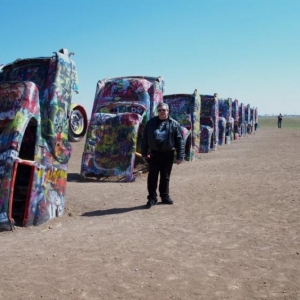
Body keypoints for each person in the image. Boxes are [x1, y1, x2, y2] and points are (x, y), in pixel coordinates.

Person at [141, 103, 185, 208]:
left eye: (164, 110)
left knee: (165, 177)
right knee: (152, 177)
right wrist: (144, 153)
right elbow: (144, 139)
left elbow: (180, 141)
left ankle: (165, 196)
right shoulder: (150, 123)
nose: (162, 112)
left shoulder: (174, 124)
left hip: (168, 154)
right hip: (154, 154)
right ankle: (152, 198)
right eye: (160, 110)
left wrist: (180, 156)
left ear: (168, 111)